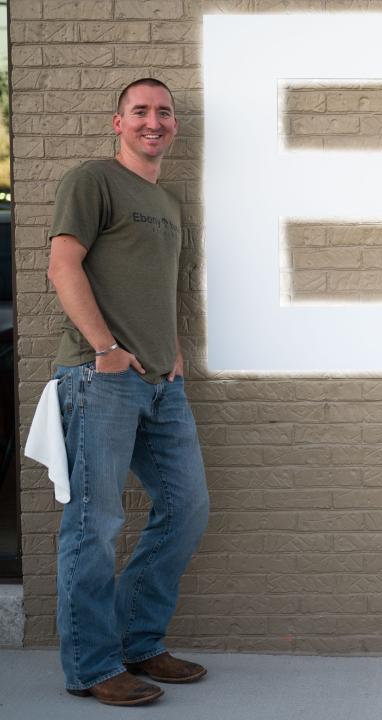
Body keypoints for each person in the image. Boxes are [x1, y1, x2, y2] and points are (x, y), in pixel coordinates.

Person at [46, 78, 209, 707]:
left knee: (186, 509)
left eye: (163, 112)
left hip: (160, 386)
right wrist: (106, 350)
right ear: (117, 122)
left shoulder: (166, 201)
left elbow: (156, 286)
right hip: (99, 379)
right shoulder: (92, 181)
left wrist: (171, 354)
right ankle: (92, 665)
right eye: (139, 111)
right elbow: (63, 265)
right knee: (95, 523)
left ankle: (139, 642)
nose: (153, 121)